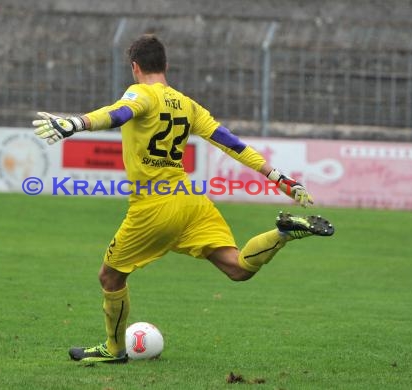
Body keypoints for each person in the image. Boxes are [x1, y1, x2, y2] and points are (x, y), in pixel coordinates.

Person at [32, 34, 334, 364]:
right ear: (166, 66)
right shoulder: (186, 104)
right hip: (191, 202)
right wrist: (278, 178)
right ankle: (282, 234)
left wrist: (76, 122)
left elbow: (118, 113)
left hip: (154, 207)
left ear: (135, 67)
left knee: (110, 277)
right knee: (238, 268)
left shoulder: (140, 93)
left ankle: (115, 350)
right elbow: (230, 142)